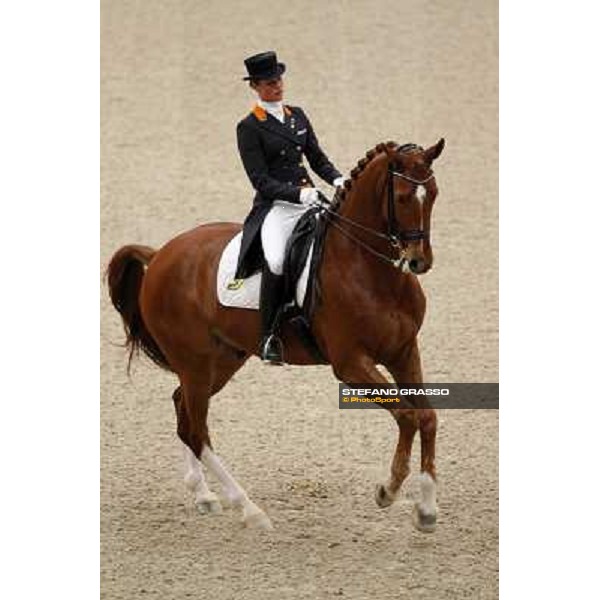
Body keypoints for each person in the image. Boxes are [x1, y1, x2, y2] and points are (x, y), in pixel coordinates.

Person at [234, 50, 344, 365]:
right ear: (254, 86)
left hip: (310, 200)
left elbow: (317, 159)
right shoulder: (249, 127)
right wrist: (297, 195)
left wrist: (338, 179)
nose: (276, 87)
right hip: (276, 208)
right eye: (269, 83)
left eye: (278, 80)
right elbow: (260, 181)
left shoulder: (297, 115)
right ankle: (269, 335)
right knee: (278, 259)